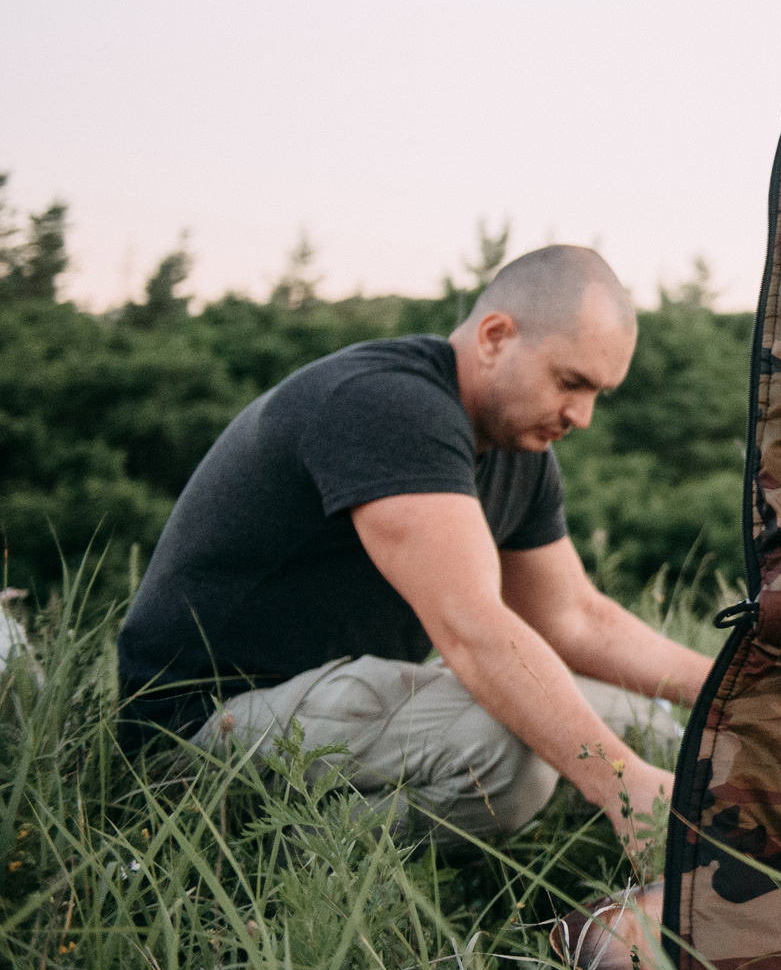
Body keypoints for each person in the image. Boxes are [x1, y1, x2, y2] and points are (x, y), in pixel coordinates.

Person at [117, 245, 715, 853]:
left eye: (598, 394)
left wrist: (730, 690)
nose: (582, 416)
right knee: (510, 756)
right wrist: (625, 789)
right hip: (201, 723)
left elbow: (574, 619)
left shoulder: (520, 452)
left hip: (337, 699)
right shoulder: (388, 405)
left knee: (645, 726)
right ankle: (241, 857)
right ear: (495, 336)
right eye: (571, 383)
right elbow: (471, 629)